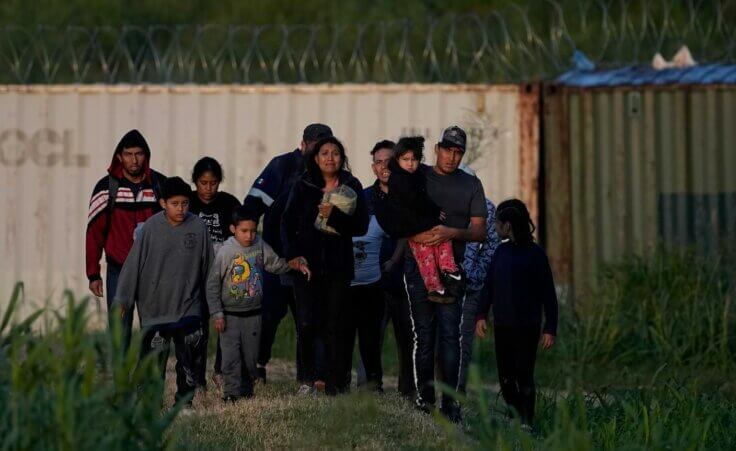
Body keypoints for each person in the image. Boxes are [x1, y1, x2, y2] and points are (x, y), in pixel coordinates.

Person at [402, 126, 487, 422]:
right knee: (424, 335)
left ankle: (450, 405)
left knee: (450, 337)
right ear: (437, 148)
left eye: (457, 152)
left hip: (453, 271)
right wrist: (419, 233)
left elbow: (479, 231)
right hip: (418, 267)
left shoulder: (471, 184)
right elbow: (399, 207)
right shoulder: (418, 174)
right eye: (447, 149)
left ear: (462, 154)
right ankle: (425, 400)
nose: (451, 157)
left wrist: (452, 231)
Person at [243, 123, 333, 384]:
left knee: (310, 322)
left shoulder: (331, 174)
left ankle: (310, 377)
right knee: (268, 316)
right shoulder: (282, 166)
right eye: (317, 148)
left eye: (327, 149)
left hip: (312, 263)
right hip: (277, 259)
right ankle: (257, 366)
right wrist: (246, 241)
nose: (324, 155)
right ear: (303, 144)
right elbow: (253, 205)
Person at [113, 177, 214, 407]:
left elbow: (209, 268)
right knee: (152, 359)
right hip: (155, 307)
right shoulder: (150, 228)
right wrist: (123, 300)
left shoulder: (198, 227)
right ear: (162, 203)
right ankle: (149, 403)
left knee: (188, 357)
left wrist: (214, 305)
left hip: (188, 305)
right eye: (175, 203)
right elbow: (132, 266)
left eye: (185, 203)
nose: (181, 209)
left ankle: (184, 402)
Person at [282, 136, 369, 396]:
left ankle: (336, 384)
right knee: (307, 324)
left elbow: (361, 225)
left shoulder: (352, 186)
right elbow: (286, 223)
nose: (330, 158)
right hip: (307, 268)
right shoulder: (303, 184)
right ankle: (307, 380)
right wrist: (293, 256)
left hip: (338, 268)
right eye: (324, 153)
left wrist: (336, 216)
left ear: (342, 158)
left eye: (335, 153)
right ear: (315, 158)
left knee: (336, 326)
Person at [206, 206, 311, 402]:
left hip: (253, 314)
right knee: (230, 357)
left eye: (253, 231)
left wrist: (292, 264)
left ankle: (246, 390)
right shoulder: (225, 252)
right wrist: (217, 313)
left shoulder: (259, 245)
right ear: (233, 229)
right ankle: (231, 393)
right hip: (229, 315)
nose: (249, 235)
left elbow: (274, 264)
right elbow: (212, 285)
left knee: (250, 356)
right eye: (244, 231)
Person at [475, 199, 558, 427]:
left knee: (524, 374)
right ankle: (517, 413)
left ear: (508, 226)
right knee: (505, 378)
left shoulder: (535, 255)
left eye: (497, 223)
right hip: (503, 326)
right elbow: (489, 286)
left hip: (528, 327)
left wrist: (550, 328)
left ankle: (527, 422)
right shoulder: (500, 252)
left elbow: (548, 294)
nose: (494, 226)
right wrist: (481, 315)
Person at [86, 129, 166, 350]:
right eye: (129, 154)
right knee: (119, 332)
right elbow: (94, 233)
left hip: (153, 271)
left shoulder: (159, 185)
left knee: (155, 330)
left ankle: (148, 382)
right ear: (119, 156)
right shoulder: (106, 188)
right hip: (118, 271)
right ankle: (121, 383)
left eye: (139, 154)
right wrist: (93, 273)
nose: (134, 159)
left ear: (146, 155)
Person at [375, 136, 462, 302]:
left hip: (419, 223)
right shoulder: (399, 179)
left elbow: (421, 198)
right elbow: (416, 201)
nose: (410, 163)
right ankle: (436, 285)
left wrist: (434, 212)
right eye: (405, 159)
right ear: (398, 159)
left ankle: (447, 271)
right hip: (411, 225)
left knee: (440, 240)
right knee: (426, 254)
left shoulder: (415, 175)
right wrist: (434, 212)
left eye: (414, 159)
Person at [188, 156, 241, 389]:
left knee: (225, 323)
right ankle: (197, 378)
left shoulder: (229, 203)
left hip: (224, 273)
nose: (208, 189)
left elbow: (241, 233)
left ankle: (221, 371)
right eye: (203, 183)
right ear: (195, 182)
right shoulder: (187, 203)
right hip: (194, 274)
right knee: (198, 326)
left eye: (213, 183)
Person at [457, 165, 501, 393]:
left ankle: (457, 390)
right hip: (443, 283)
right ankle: (435, 387)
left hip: (471, 287)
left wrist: (475, 273)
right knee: (438, 339)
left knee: (464, 340)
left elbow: (492, 246)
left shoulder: (488, 208)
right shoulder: (444, 204)